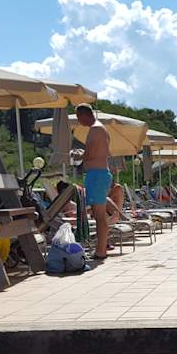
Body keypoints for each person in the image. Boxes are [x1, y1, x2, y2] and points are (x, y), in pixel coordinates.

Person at [75, 104, 111, 260]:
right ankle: (102, 248)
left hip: (97, 175)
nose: (79, 121)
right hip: (99, 174)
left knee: (99, 216)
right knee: (99, 215)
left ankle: (101, 251)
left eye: (78, 117)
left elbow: (89, 154)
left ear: (84, 115)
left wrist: (77, 155)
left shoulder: (95, 129)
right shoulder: (101, 129)